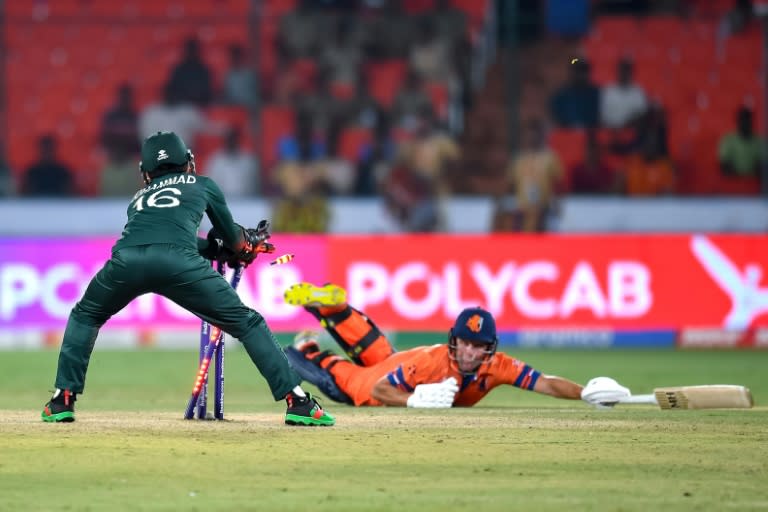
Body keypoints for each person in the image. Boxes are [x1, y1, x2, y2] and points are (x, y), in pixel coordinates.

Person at [41, 131, 334, 427]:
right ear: (187, 161)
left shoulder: (139, 198)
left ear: (146, 172)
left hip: (126, 260)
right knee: (248, 323)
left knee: (85, 314)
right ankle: (298, 402)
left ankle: (62, 399)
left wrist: (215, 249)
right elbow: (232, 240)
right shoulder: (202, 184)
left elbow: (168, 236)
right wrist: (246, 244)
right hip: (179, 262)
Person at [281, 282, 587, 408]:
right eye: (465, 343)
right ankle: (309, 347)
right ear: (454, 341)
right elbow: (378, 391)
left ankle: (336, 309)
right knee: (344, 376)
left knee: (375, 349)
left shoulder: (498, 366)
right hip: (377, 383)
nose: (469, 352)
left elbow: (544, 383)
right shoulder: (435, 363)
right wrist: (413, 401)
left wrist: (586, 392)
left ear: (489, 349)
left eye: (477, 346)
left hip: (398, 359)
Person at [719, 106, 765, 178]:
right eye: (742, 120)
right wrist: (738, 178)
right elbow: (724, 164)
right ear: (737, 121)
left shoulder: (760, 141)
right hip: (733, 184)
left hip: (755, 184)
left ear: (751, 121)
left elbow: (763, 166)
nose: (744, 123)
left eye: (747, 119)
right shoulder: (728, 140)